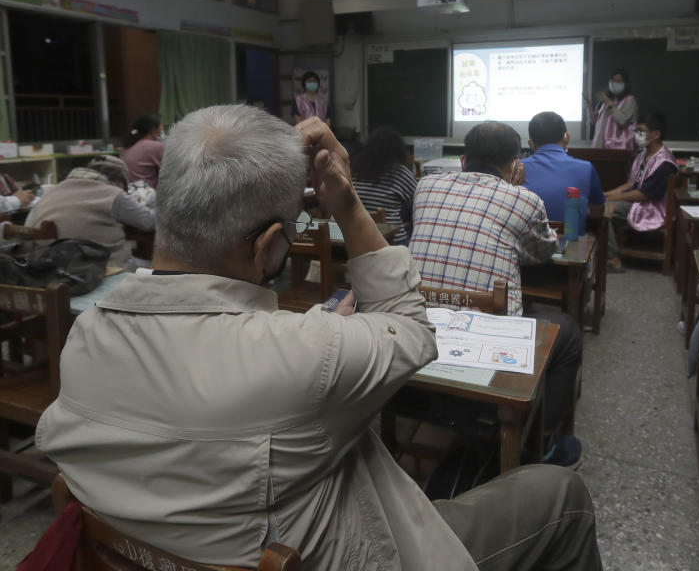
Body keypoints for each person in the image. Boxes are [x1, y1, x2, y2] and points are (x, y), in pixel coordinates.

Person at [35, 106, 601, 570]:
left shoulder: (86, 335)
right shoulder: (307, 352)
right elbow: (412, 330)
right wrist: (345, 198)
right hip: (345, 552)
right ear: (268, 248)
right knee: (560, 496)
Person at [410, 121, 585, 466]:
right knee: (568, 331)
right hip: (483, 350)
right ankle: (546, 442)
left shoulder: (425, 186)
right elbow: (544, 251)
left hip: (415, 331)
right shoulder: (524, 199)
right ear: (516, 164)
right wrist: (514, 192)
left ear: (462, 160)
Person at [25, 155, 154, 266]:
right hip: (100, 270)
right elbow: (149, 222)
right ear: (119, 181)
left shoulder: (51, 191)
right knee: (155, 266)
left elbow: (28, 226)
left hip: (47, 269)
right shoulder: (112, 193)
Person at [604, 112, 678, 272]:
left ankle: (613, 259)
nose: (636, 135)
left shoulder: (665, 162)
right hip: (639, 203)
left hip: (652, 209)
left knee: (604, 210)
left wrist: (610, 199)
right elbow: (630, 184)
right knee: (602, 203)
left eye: (641, 131)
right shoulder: (642, 155)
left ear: (656, 134)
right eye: (636, 131)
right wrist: (606, 194)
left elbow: (643, 194)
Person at [522, 111, 605, 235]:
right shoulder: (586, 168)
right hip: (571, 247)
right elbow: (598, 211)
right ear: (567, 137)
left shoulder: (517, 168)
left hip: (527, 247)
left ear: (531, 144)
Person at [351, 126, 418, 245]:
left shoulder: (356, 172)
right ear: (398, 151)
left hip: (359, 240)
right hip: (392, 243)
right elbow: (417, 206)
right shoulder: (400, 173)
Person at [587, 69, 638, 150]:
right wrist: (588, 104)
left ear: (625, 84)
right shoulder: (605, 101)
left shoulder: (629, 100)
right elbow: (595, 122)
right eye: (613, 81)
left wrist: (609, 103)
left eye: (618, 81)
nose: (615, 83)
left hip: (618, 148)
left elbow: (623, 121)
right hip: (599, 147)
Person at [119, 113, 165, 189]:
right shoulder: (156, 146)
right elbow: (171, 172)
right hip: (148, 196)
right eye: (161, 125)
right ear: (153, 129)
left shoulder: (127, 146)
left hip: (129, 194)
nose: (162, 129)